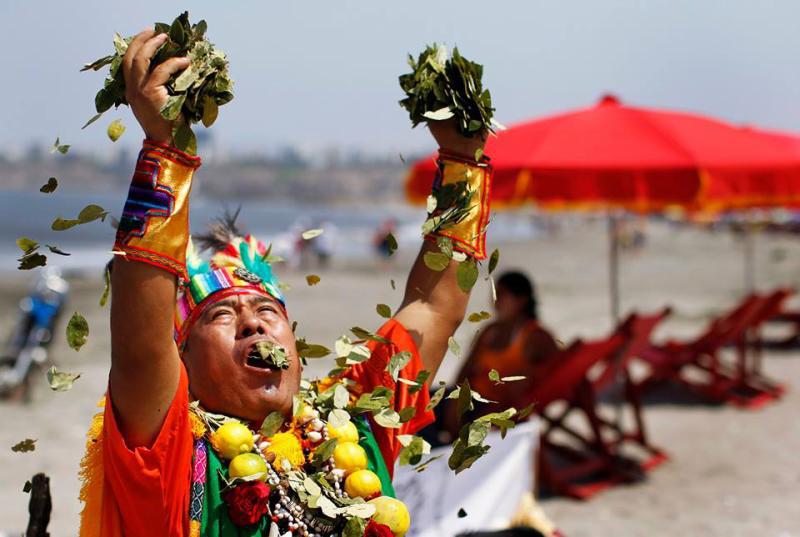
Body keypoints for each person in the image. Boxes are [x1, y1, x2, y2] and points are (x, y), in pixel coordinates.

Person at [77, 28, 494, 537]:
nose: (253, 323)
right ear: (180, 359)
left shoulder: (356, 423)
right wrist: (166, 147)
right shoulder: (173, 449)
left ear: (294, 344)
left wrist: (464, 164)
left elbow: (432, 307)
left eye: (267, 312)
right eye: (222, 315)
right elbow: (140, 344)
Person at [456, 271, 559, 410]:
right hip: (469, 400)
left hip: (493, 409)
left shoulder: (536, 337)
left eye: (501, 295)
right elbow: (465, 371)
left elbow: (557, 373)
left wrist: (530, 376)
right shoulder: (490, 331)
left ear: (521, 300)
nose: (495, 301)